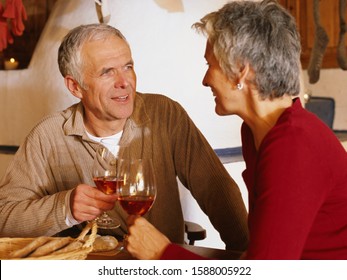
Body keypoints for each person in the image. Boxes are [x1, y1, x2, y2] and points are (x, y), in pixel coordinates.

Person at [125, 0, 347, 260]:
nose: (205, 79)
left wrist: (162, 253)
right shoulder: (257, 131)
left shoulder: (293, 144)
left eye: (210, 65)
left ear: (242, 71)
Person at [0, 23, 249, 252]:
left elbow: (217, 192)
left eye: (128, 67)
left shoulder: (165, 114)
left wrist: (249, 259)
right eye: (107, 72)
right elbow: (4, 218)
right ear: (75, 86)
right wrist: (64, 208)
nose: (125, 82)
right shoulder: (48, 136)